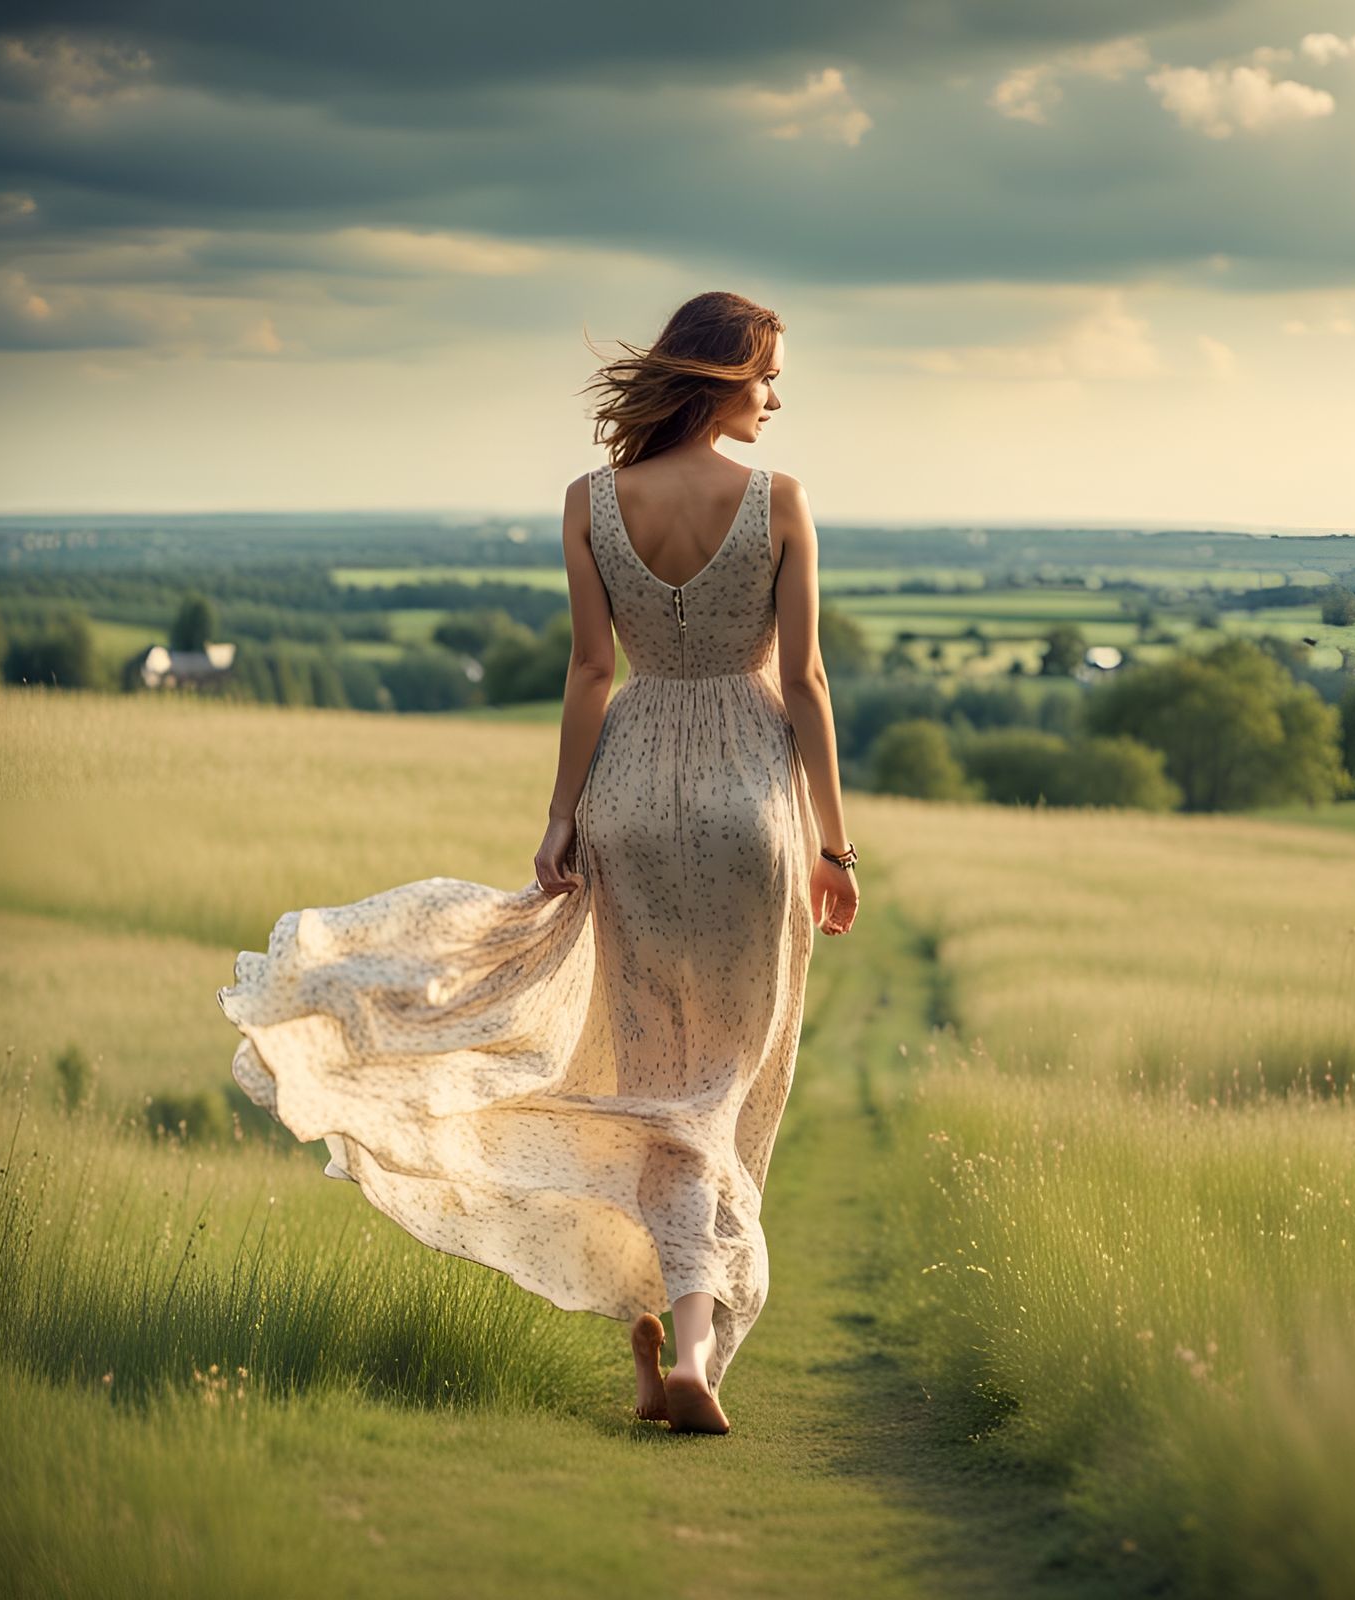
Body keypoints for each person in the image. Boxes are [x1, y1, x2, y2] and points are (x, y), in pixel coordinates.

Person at [216, 289, 859, 1437]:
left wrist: (561, 816)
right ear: (721, 379)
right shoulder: (780, 501)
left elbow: (587, 674)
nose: (776, 397)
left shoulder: (590, 502)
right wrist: (830, 844)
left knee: (641, 1071)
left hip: (629, 800)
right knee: (714, 1090)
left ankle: (655, 1350)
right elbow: (804, 682)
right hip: (748, 807)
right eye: (767, 376)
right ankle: (697, 1347)